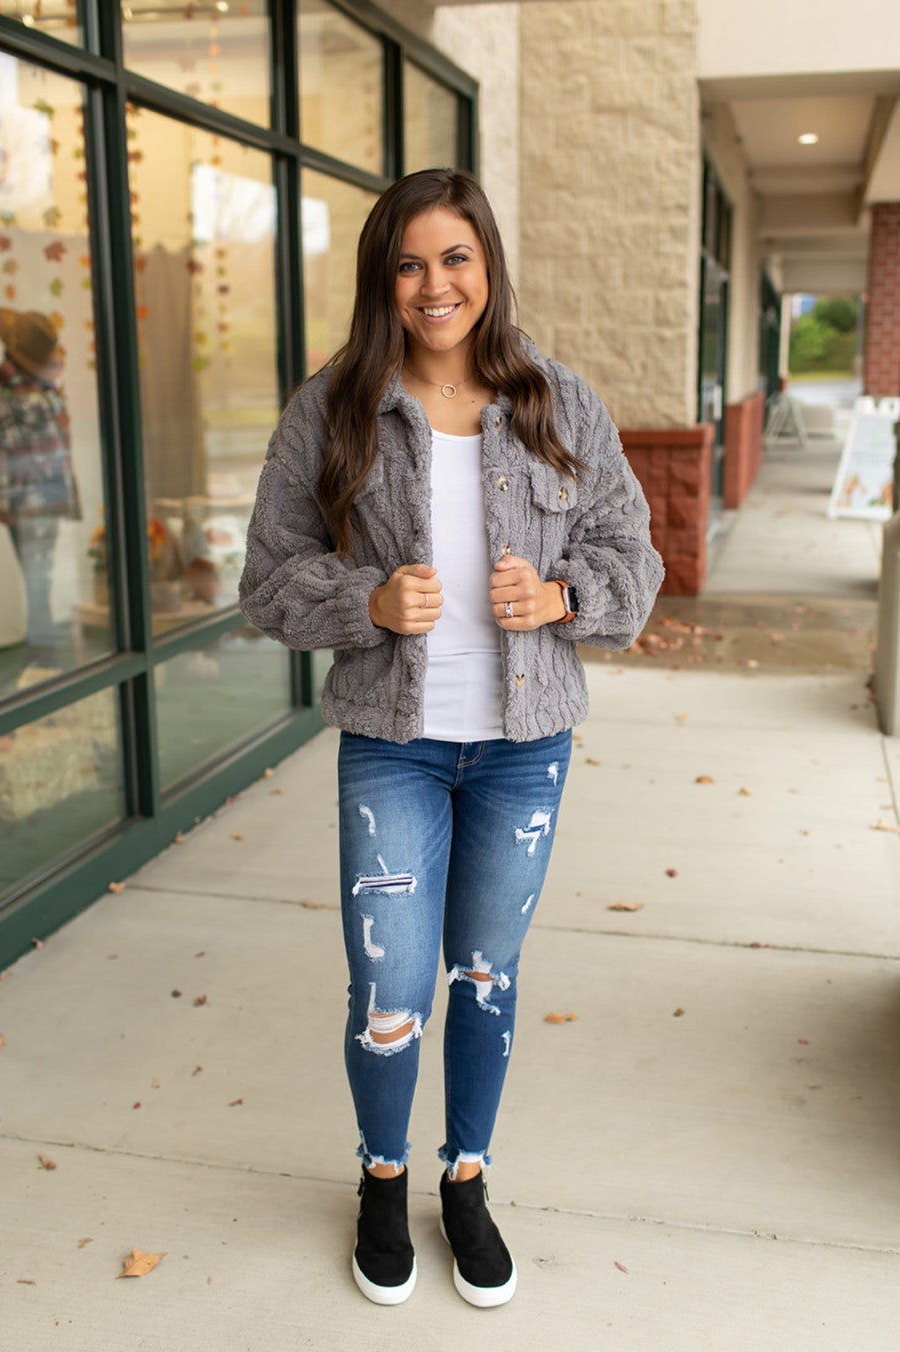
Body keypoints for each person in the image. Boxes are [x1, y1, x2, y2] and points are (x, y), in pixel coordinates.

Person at [239, 168, 663, 1308]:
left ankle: (464, 1178)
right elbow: (267, 577)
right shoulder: (332, 406)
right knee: (389, 989)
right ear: (384, 278)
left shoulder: (557, 402)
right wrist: (366, 601)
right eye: (410, 263)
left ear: (488, 266)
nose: (436, 285)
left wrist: (564, 596)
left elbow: (634, 557)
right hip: (395, 743)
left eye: (456, 258)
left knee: (484, 975)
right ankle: (382, 1178)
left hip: (524, 748)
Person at [0, 309, 79, 649]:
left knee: (39, 577)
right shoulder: (20, 394)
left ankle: (42, 651)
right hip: (32, 498)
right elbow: (8, 452)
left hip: (36, 496)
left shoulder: (30, 388)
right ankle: (43, 652)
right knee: (38, 579)